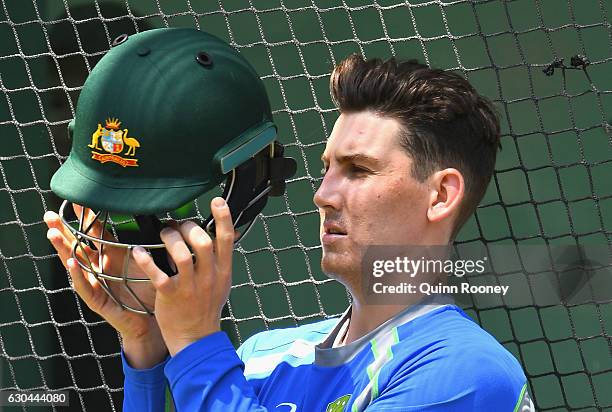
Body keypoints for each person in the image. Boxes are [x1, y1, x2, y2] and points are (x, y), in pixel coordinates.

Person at [45, 34, 534, 410]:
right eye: (326, 169)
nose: (322, 195)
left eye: (358, 170)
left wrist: (195, 344)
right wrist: (147, 344)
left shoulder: (465, 369)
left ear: (441, 195)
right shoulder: (264, 352)